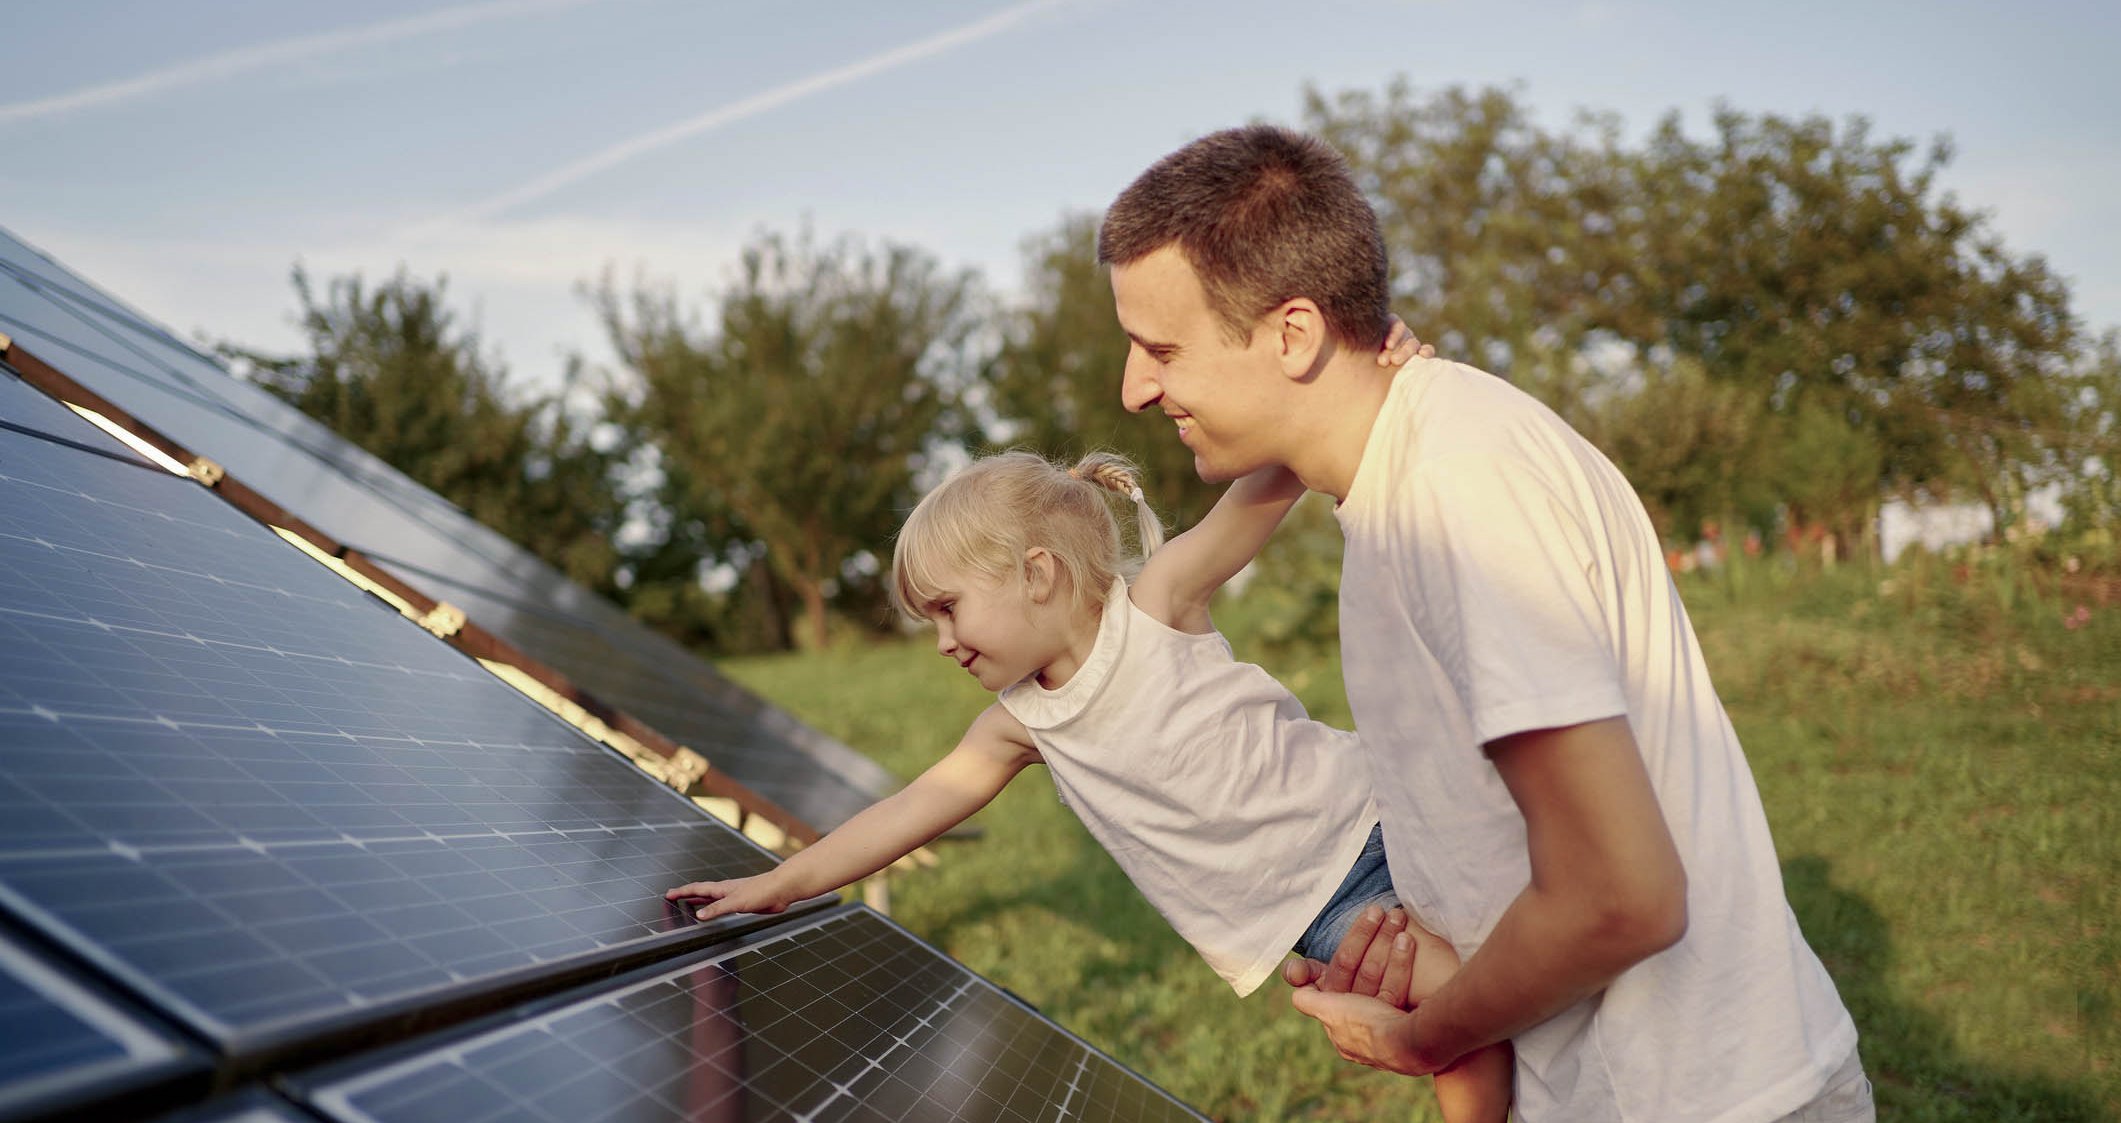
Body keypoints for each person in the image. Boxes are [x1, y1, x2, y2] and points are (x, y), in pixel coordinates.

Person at [1099, 123, 1871, 1122]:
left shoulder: (1456, 495)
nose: (1135, 387)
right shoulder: (1402, 480)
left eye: (1161, 348)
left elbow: (1623, 894)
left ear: (1293, 334)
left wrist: (1421, 1035)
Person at [667, 436, 1513, 1123]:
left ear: (1037, 572)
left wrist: (1371, 390)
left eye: (948, 607)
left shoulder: (1158, 605)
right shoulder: (1018, 722)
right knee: (1463, 1024)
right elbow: (912, 807)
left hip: (1378, 809)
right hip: (1321, 910)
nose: (941, 642)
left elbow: (1267, 484)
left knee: (1512, 983)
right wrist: (783, 880)